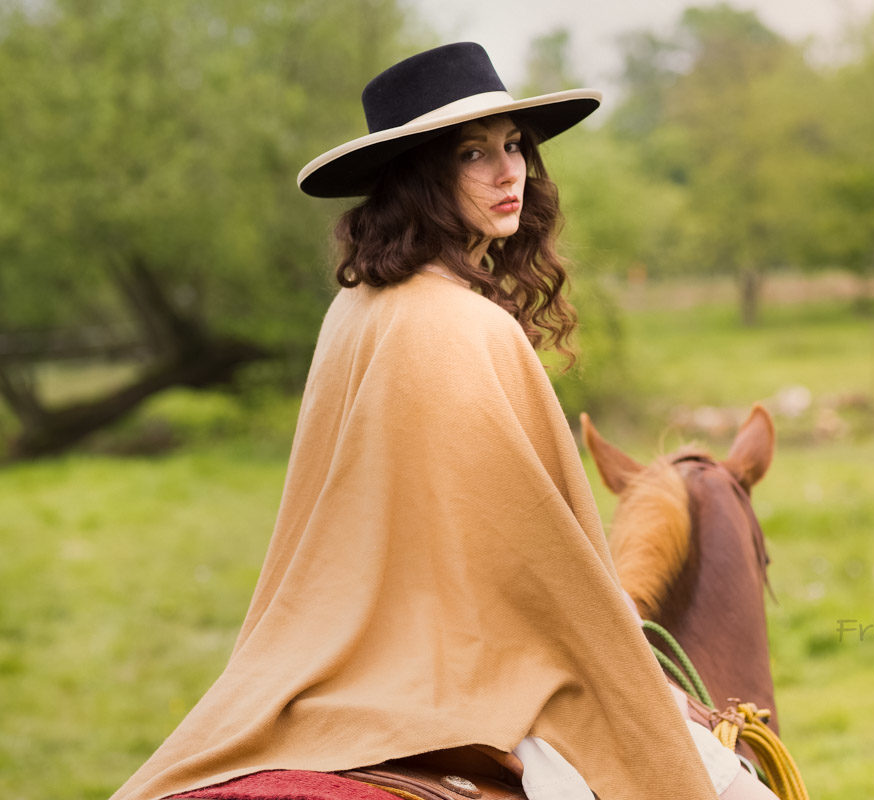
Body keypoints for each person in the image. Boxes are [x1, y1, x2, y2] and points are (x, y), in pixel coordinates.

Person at [110, 42, 773, 800]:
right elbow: (540, 564)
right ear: (421, 174)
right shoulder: (467, 326)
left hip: (331, 659)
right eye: (472, 153)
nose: (509, 171)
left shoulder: (356, 307)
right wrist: (627, 671)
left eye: (514, 146)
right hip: (467, 672)